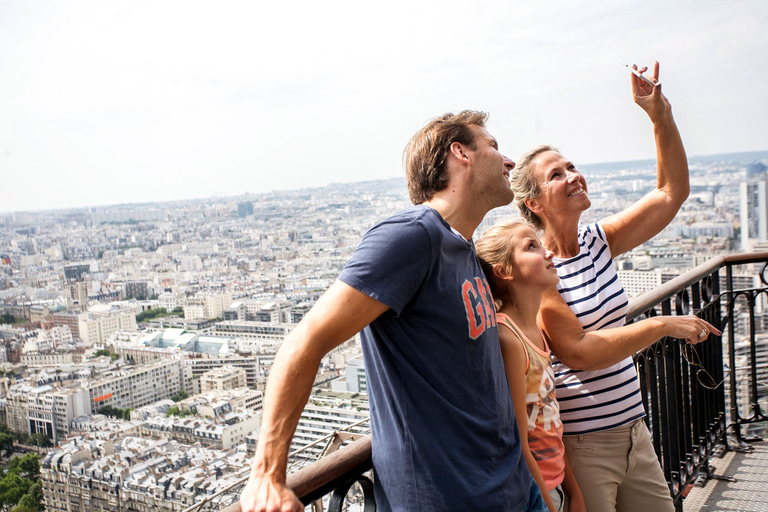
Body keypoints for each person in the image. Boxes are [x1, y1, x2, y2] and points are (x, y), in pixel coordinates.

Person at [240, 110, 547, 512]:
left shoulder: (461, 249)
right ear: (461, 154)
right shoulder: (412, 235)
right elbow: (307, 339)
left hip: (510, 491)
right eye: (492, 146)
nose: (508, 161)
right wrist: (266, 474)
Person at [509, 62, 719, 512]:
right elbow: (579, 350)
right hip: (587, 446)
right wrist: (663, 325)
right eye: (556, 175)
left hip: (634, 431)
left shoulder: (596, 242)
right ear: (534, 203)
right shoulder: (540, 270)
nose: (573, 175)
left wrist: (658, 115)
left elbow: (670, 193)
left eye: (571, 166)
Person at [476, 221, 586, 512]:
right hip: (534, 494)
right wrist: (549, 506)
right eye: (531, 246)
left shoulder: (534, 329)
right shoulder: (508, 338)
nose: (548, 252)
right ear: (504, 271)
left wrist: (574, 492)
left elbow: (550, 420)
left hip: (554, 485)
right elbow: (518, 439)